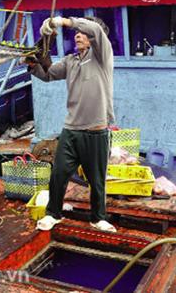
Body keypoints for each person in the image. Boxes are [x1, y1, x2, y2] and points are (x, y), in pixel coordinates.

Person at [23, 16, 117, 233]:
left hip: (96, 131)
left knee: (97, 180)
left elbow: (94, 27)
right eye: (77, 32)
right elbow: (48, 73)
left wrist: (64, 21)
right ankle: (52, 214)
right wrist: (34, 61)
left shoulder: (103, 57)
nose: (78, 34)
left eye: (83, 33)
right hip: (71, 130)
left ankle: (98, 217)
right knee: (58, 174)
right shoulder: (71, 61)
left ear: (95, 37)